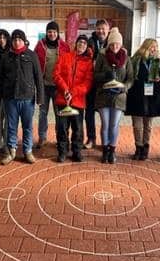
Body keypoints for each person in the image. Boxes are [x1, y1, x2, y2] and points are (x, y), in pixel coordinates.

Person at [0, 29, 44, 165]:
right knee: (11, 126)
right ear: (12, 41)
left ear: (24, 41)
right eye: (15, 40)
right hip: (10, 98)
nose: (17, 42)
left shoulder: (32, 55)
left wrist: (40, 97)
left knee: (27, 126)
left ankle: (28, 151)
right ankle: (12, 151)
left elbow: (38, 77)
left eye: (19, 40)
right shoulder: (6, 57)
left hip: (27, 98)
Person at [126, 38, 160, 161]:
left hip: (152, 96)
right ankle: (138, 147)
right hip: (137, 95)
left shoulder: (158, 61)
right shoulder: (136, 59)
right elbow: (130, 74)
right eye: (152, 46)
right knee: (137, 125)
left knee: (148, 125)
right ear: (145, 46)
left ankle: (145, 148)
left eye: (156, 46)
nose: (154, 49)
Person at [94, 27, 133, 164]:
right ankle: (105, 150)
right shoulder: (101, 56)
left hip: (119, 97)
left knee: (114, 125)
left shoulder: (127, 59)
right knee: (105, 124)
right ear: (109, 44)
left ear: (121, 44)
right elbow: (94, 75)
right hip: (103, 96)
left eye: (117, 44)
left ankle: (112, 150)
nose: (115, 46)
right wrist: (105, 75)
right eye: (112, 44)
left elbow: (130, 78)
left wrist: (124, 88)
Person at [53, 35, 94, 162]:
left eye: (84, 43)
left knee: (78, 128)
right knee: (62, 128)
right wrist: (65, 89)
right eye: (80, 42)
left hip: (77, 101)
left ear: (87, 47)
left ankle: (76, 151)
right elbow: (56, 74)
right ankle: (62, 152)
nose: (81, 45)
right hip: (62, 99)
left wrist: (73, 92)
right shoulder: (64, 57)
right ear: (76, 44)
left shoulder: (88, 63)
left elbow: (88, 83)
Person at [34, 21, 70, 149]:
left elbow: (68, 67)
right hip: (43, 85)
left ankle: (60, 137)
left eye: (54, 31)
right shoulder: (40, 46)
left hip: (58, 86)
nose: (52, 34)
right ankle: (42, 137)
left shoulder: (65, 47)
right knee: (42, 113)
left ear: (58, 32)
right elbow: (35, 64)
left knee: (58, 112)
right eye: (49, 31)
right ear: (46, 32)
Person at [84, 19, 110, 149]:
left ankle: (106, 141)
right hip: (91, 84)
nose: (101, 31)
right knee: (89, 113)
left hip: (105, 85)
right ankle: (91, 138)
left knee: (105, 115)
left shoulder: (112, 43)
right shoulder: (90, 42)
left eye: (103, 29)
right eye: (98, 29)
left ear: (108, 29)